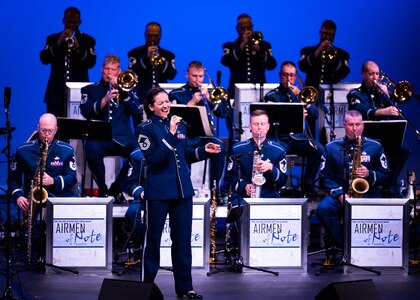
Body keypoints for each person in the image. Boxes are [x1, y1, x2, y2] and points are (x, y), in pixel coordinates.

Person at [137, 87, 221, 299]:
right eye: (160, 103)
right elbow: (155, 158)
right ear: (151, 107)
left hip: (182, 192)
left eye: (167, 101)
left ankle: (185, 287)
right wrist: (171, 134)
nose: (166, 105)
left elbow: (185, 156)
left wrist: (204, 151)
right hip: (158, 193)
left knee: (183, 241)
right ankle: (146, 288)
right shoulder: (144, 129)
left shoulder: (179, 125)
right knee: (153, 241)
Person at [316, 110, 390, 248]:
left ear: (363, 125)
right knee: (322, 209)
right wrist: (339, 194)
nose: (354, 128)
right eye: (351, 124)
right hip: (341, 193)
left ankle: (370, 247)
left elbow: (386, 175)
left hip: (368, 193)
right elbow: (323, 176)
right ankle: (345, 246)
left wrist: (369, 173)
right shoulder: (331, 147)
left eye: (357, 124)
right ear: (344, 125)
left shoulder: (376, 146)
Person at [80, 54, 142, 201]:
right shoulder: (89, 89)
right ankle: (103, 190)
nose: (109, 73)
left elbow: (137, 111)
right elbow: (86, 112)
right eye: (107, 69)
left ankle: (117, 188)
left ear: (119, 71)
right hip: (99, 137)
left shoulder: (129, 90)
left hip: (123, 137)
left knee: (140, 153)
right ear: (101, 69)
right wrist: (105, 100)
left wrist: (124, 93)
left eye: (113, 70)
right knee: (91, 151)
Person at [347, 60, 410, 197]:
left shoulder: (382, 94)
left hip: (384, 138)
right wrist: (383, 111)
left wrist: (387, 97)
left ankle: (388, 184)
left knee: (403, 149)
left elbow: (394, 116)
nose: (375, 77)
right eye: (371, 74)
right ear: (363, 74)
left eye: (377, 74)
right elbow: (361, 111)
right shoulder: (355, 94)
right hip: (365, 139)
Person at [264, 61, 324, 195]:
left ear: (296, 77)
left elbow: (314, 115)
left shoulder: (300, 95)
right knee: (274, 151)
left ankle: (307, 187)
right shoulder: (272, 96)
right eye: (286, 75)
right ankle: (276, 186)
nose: (289, 79)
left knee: (318, 148)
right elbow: (271, 119)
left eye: (292, 76)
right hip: (279, 138)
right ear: (280, 75)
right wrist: (295, 115)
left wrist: (302, 99)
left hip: (297, 138)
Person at [169, 61, 227, 197]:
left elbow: (223, 113)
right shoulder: (176, 94)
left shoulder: (210, 93)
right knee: (181, 150)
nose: (198, 80)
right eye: (194, 76)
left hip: (203, 136)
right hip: (183, 136)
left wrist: (208, 97)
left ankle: (215, 190)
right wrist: (192, 103)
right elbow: (172, 117)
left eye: (201, 76)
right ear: (187, 75)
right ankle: (183, 190)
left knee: (219, 147)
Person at [9, 113, 77, 211]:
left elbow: (72, 178)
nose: (47, 134)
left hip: (58, 197)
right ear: (38, 128)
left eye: (50, 131)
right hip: (32, 200)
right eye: (43, 130)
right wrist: (18, 196)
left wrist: (53, 181)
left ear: (56, 130)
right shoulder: (23, 150)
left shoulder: (67, 150)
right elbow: (13, 178)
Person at [40, 7, 96, 118]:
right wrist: (58, 43)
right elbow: (44, 58)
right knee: (56, 126)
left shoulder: (87, 40)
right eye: (68, 22)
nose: (71, 25)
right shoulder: (53, 39)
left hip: (79, 92)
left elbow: (91, 63)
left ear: (80, 22)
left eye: (74, 22)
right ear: (63, 21)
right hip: (56, 92)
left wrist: (78, 47)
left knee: (78, 128)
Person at [128, 21, 177, 125]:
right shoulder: (135, 53)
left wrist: (161, 62)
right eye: (150, 35)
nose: (153, 39)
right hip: (141, 98)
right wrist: (146, 58)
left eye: (156, 36)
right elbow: (132, 73)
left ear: (160, 36)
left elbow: (172, 74)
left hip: (160, 101)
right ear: (145, 35)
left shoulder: (168, 55)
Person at [221, 13, 277, 100]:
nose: (246, 31)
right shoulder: (230, 46)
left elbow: (272, 65)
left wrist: (259, 50)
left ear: (252, 27)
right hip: (236, 92)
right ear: (237, 29)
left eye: (248, 28)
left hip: (258, 92)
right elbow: (225, 61)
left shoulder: (264, 45)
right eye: (243, 28)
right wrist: (243, 44)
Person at [298, 19, 350, 90]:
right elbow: (302, 66)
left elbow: (344, 73)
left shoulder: (342, 54)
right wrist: (319, 50)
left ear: (334, 35)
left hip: (332, 92)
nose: (327, 37)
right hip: (312, 91)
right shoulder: (307, 50)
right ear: (320, 33)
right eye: (325, 33)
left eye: (331, 35)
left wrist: (334, 58)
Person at [122, 147, 146, 241]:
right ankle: (142, 242)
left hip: (167, 197)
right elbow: (131, 183)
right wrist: (140, 192)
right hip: (145, 198)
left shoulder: (172, 151)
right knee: (132, 212)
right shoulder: (136, 155)